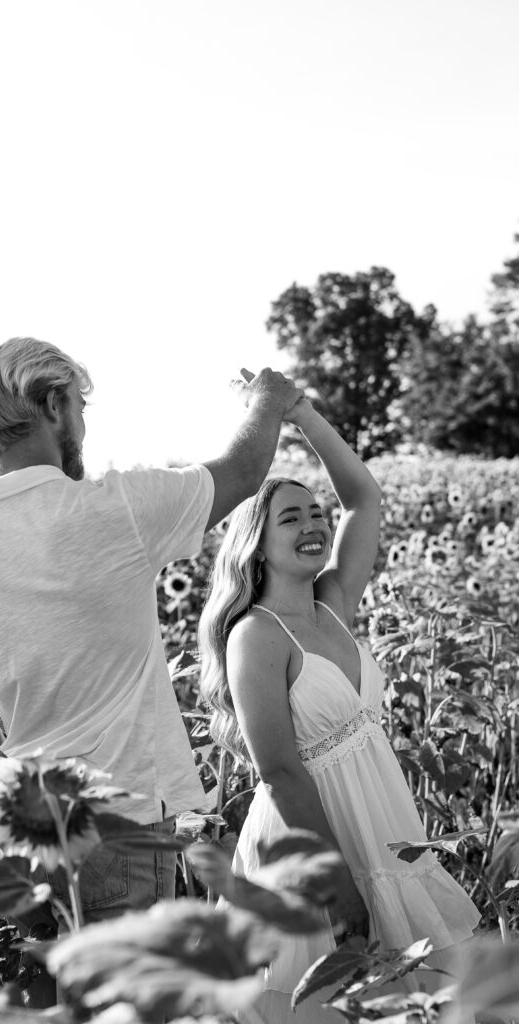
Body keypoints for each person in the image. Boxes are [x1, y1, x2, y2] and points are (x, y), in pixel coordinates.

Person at [0, 337, 306, 930]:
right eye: (78, 407)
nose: (82, 426)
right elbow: (244, 471)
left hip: (20, 841)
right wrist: (268, 400)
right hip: (117, 824)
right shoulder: (111, 511)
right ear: (52, 405)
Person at [198, 394, 480, 1023]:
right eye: (290, 518)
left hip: (380, 823)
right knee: (323, 1001)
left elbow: (364, 498)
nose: (312, 525)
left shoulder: (333, 604)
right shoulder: (256, 635)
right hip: (310, 841)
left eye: (315, 513)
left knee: (412, 997)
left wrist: (302, 414)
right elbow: (279, 772)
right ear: (256, 546)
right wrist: (336, 884)